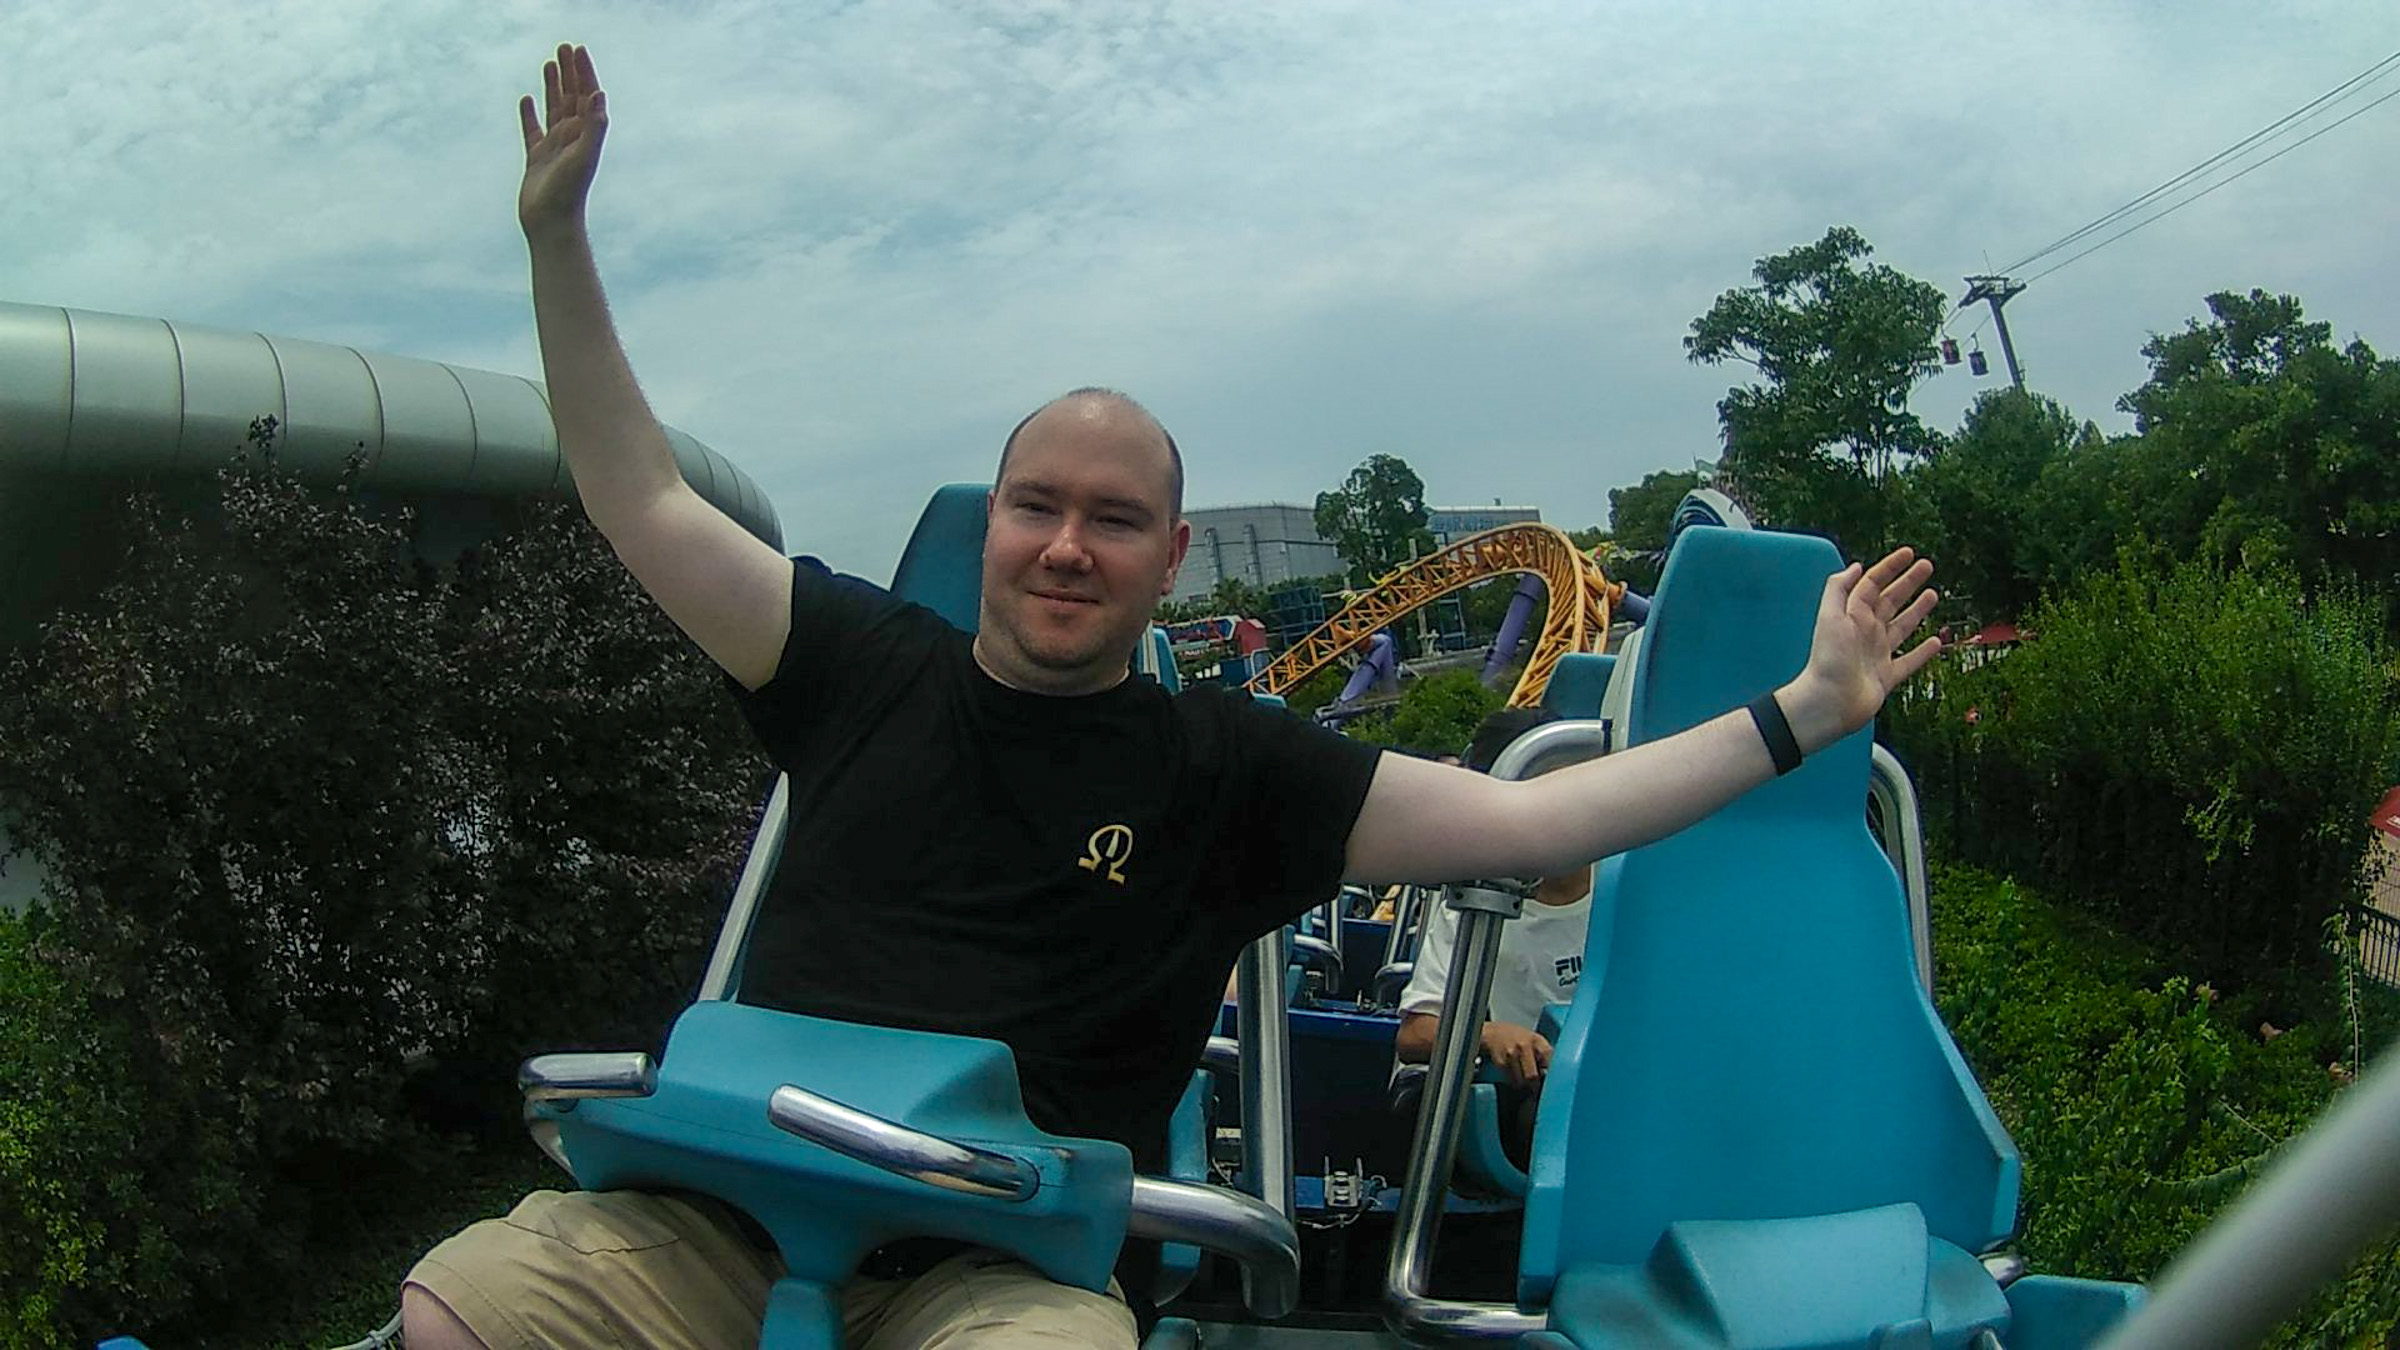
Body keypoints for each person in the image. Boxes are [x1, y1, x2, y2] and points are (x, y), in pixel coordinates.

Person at [400, 44, 1946, 1350]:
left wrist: (1806, 712)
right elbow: (640, 495)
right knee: (464, 1306)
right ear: (995, 524)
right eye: (1038, 505)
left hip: (997, 1265)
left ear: (1170, 558)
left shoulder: (1229, 768)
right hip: (727, 1214)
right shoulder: (853, 662)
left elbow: (1542, 819)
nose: (1067, 545)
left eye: (1114, 519)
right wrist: (556, 239)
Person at [1392, 707, 1589, 1170]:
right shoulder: (1478, 903)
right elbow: (1415, 1033)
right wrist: (1490, 1035)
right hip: (1541, 1096)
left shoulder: (1633, 886)